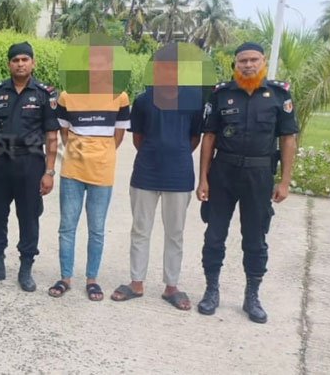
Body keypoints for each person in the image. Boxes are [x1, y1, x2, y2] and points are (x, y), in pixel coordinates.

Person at [196, 42, 299, 323]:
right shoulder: (221, 94)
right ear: (236, 64)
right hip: (223, 173)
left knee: (255, 238)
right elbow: (209, 137)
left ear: (263, 62)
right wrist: (203, 178)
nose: (248, 65)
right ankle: (211, 290)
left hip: (259, 175)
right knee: (214, 235)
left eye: (254, 60)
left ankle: (252, 295)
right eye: (243, 61)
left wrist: (285, 181)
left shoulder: (278, 95)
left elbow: (288, 138)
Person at [110, 64, 203, 310]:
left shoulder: (194, 100)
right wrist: (155, 155)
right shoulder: (143, 100)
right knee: (140, 230)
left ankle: (171, 286)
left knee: (175, 232)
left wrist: (176, 154)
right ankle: (136, 283)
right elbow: (138, 138)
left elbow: (195, 137)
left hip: (179, 176)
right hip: (146, 174)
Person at [47, 45, 131, 301]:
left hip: (102, 172)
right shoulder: (67, 95)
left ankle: (92, 279)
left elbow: (118, 136)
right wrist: (78, 150)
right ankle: (65, 278)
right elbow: (64, 132)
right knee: (67, 227)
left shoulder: (120, 97)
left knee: (96, 229)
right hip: (72, 170)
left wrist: (101, 152)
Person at [0, 42, 60, 292]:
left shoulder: (45, 94)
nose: (20, 64)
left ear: (33, 63)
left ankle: (26, 268)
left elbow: (52, 136)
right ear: (9, 64)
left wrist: (49, 171)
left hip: (30, 163)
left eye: (25, 59)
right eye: (15, 60)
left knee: (29, 216)